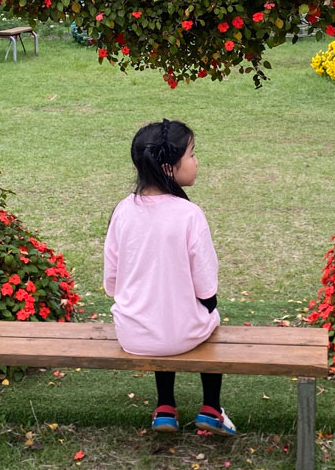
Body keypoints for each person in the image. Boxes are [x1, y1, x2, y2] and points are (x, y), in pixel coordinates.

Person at [103, 119, 236, 436]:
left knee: (163, 315)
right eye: (191, 154)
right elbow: (207, 287)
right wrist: (205, 304)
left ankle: (165, 408)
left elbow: (111, 283)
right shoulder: (190, 215)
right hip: (179, 335)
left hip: (133, 334)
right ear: (168, 167)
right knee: (210, 318)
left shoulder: (123, 210)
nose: (196, 161)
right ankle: (211, 408)